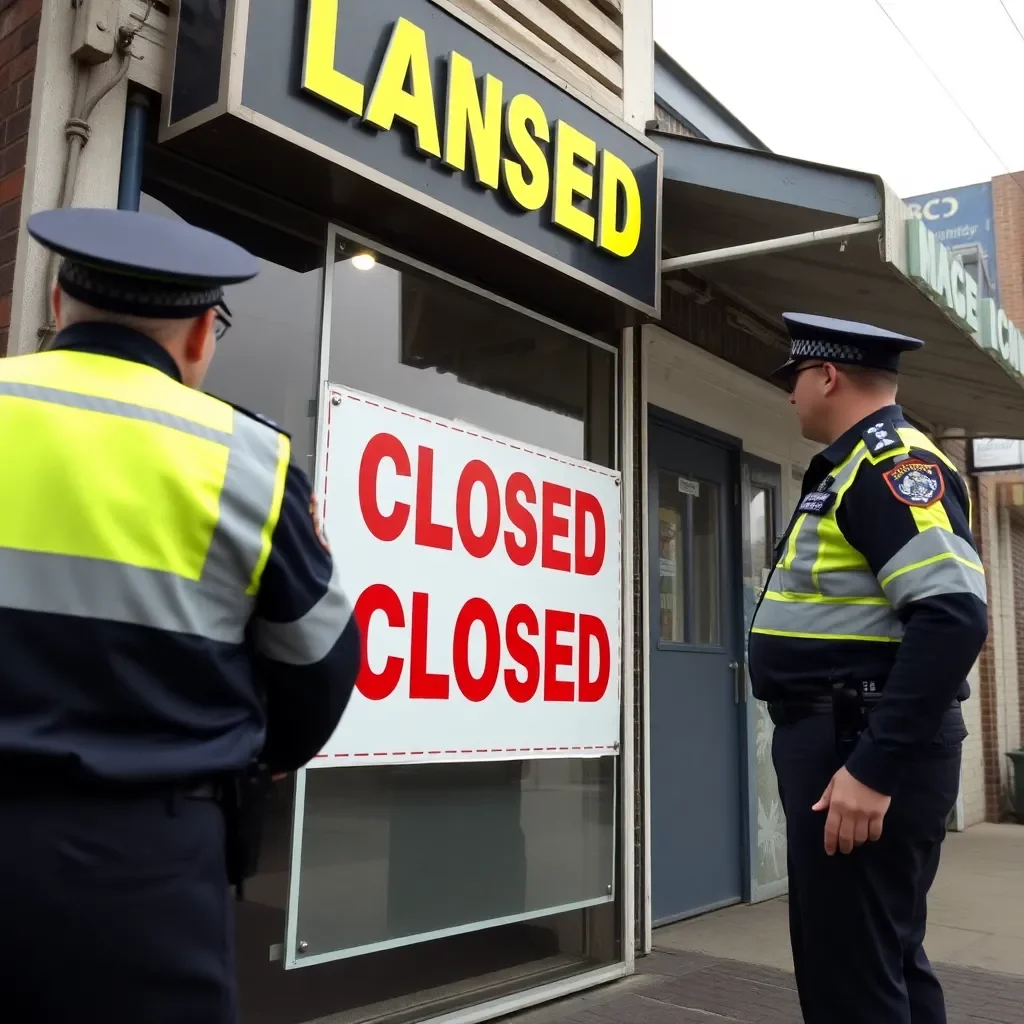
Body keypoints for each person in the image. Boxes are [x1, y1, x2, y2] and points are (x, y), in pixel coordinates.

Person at [0, 207, 361, 1022]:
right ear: (202, 334)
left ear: (58, 305)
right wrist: (257, 755)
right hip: (143, 868)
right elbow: (322, 663)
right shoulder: (251, 463)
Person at [748, 313, 988, 1024]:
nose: (789, 395)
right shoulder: (860, 465)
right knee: (882, 959)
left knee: (850, 980)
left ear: (827, 375)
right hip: (850, 735)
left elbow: (952, 615)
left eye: (794, 377)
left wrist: (873, 769)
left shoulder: (889, 466)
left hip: (857, 743)